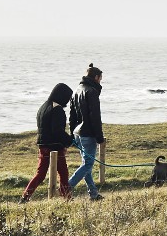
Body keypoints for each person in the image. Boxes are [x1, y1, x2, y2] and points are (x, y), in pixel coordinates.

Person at [21, 82, 74, 203]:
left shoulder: (43, 107)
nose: (67, 101)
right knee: (63, 174)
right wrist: (69, 142)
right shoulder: (57, 109)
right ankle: (67, 197)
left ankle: (25, 197)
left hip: (43, 145)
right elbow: (58, 131)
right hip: (55, 146)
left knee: (40, 175)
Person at [66, 63, 105, 201]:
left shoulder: (77, 90)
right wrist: (99, 137)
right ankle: (68, 186)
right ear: (96, 77)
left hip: (78, 132)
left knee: (85, 163)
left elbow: (72, 116)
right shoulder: (92, 92)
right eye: (100, 79)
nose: (100, 82)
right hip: (88, 133)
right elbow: (95, 116)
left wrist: (72, 133)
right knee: (88, 164)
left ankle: (93, 194)